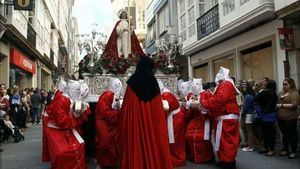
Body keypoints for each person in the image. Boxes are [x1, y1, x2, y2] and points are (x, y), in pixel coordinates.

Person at [118, 56, 172, 169]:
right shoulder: (154, 83)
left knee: (136, 145)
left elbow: (126, 111)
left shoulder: (132, 84)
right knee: (153, 145)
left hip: (135, 127)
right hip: (153, 127)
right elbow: (158, 112)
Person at [45, 80, 91, 169]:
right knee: (62, 153)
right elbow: (61, 121)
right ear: (71, 90)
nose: (79, 92)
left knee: (79, 145)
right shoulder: (61, 100)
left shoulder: (73, 99)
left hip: (67, 130)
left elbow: (82, 117)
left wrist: (81, 112)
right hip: (57, 131)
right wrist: (75, 115)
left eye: (79, 90)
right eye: (77, 90)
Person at [200, 67, 240, 169]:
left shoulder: (225, 84)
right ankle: (225, 160)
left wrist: (205, 103)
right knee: (223, 141)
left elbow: (220, 99)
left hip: (226, 118)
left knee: (226, 142)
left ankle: (229, 163)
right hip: (225, 118)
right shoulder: (226, 84)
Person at [94, 78, 123, 169]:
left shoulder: (110, 95)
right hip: (103, 124)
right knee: (105, 143)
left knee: (110, 143)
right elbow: (105, 112)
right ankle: (105, 163)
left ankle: (110, 163)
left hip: (107, 123)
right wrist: (118, 112)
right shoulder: (106, 95)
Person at [185, 78, 214, 164]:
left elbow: (210, 107)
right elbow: (189, 111)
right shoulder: (191, 95)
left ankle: (206, 157)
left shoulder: (206, 94)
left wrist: (203, 109)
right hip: (195, 119)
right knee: (188, 135)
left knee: (202, 139)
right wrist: (188, 106)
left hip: (204, 120)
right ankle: (194, 157)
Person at [158, 80, 186, 167]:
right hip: (174, 118)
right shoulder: (165, 93)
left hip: (175, 119)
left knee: (175, 139)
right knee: (174, 139)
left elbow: (164, 110)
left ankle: (178, 158)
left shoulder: (166, 95)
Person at [276, 78, 299, 159]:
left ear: (291, 84)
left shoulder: (294, 93)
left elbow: (294, 105)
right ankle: (285, 149)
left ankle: (293, 151)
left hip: (290, 118)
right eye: (283, 84)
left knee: (292, 134)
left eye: (286, 84)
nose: (284, 86)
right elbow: (277, 102)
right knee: (284, 134)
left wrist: (282, 105)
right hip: (281, 118)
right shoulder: (281, 92)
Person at [254, 80, 277, 156]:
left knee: (265, 133)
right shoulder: (274, 94)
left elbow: (256, 99)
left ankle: (266, 147)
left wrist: (260, 91)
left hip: (264, 115)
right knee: (271, 133)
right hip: (272, 115)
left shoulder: (264, 92)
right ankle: (271, 149)